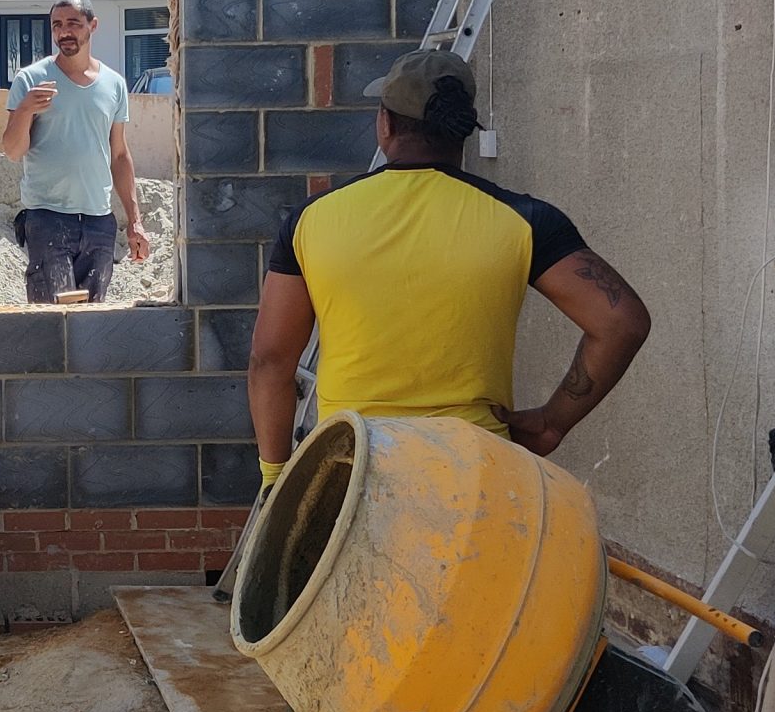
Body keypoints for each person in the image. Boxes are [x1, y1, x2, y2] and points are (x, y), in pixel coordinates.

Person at [245, 50, 652, 490]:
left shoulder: (311, 221)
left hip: (353, 472)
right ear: (462, 131)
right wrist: (552, 422)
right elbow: (621, 323)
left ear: (385, 124)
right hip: (476, 475)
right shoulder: (524, 220)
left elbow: (270, 360)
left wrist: (275, 478)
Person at [0, 0, 151, 303]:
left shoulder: (114, 84)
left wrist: (134, 221)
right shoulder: (31, 80)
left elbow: (119, 155)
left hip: (99, 221)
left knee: (91, 321)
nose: (64, 32)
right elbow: (13, 151)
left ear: (92, 26)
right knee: (53, 320)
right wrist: (25, 109)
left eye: (73, 23)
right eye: (57, 25)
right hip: (47, 218)